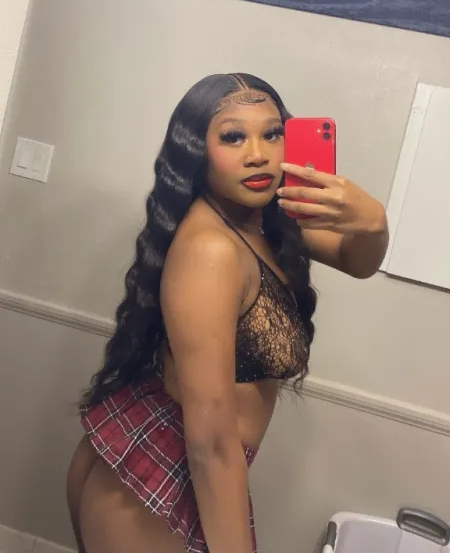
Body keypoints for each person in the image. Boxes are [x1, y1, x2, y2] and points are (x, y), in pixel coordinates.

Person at [66, 72, 388, 553]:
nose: (258, 154)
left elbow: (357, 261)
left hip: (169, 459)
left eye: (272, 134)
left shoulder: (264, 224)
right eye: (234, 137)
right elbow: (212, 444)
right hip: (157, 483)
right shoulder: (211, 250)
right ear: (197, 150)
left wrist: (375, 222)